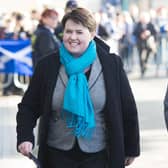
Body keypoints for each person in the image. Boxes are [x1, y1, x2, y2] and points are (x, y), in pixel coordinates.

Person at [16, 7, 140, 168]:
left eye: (79, 32)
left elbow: (127, 108)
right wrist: (25, 137)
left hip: (99, 155)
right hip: (56, 155)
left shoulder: (111, 64)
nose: (72, 37)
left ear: (92, 34)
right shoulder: (47, 66)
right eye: (68, 31)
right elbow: (28, 107)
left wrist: (131, 148)